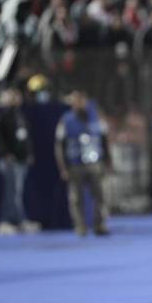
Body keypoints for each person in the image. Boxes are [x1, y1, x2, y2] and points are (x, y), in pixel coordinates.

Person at [55, 90, 112, 236]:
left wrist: (108, 161)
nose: (79, 103)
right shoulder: (66, 120)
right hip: (75, 164)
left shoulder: (97, 117)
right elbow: (59, 145)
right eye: (75, 101)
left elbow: (105, 139)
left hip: (95, 163)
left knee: (100, 195)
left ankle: (99, 225)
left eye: (81, 100)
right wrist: (63, 167)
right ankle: (81, 227)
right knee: (76, 198)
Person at [0, 88, 40, 235]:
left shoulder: (20, 116)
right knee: (12, 193)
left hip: (22, 160)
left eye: (17, 96)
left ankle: (18, 221)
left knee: (17, 192)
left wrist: (29, 154)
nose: (15, 99)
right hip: (10, 162)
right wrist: (5, 154)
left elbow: (26, 138)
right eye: (11, 96)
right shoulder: (1, 116)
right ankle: (5, 222)